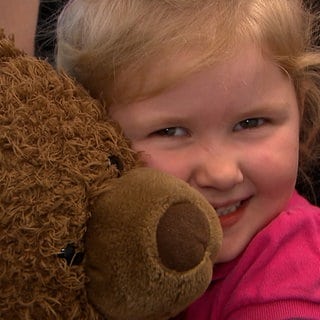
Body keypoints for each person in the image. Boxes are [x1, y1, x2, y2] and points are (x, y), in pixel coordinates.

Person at [55, 0, 320, 319]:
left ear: (300, 111)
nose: (221, 174)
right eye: (171, 131)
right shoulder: (80, 244)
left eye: (251, 123)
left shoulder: (294, 270)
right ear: (95, 136)